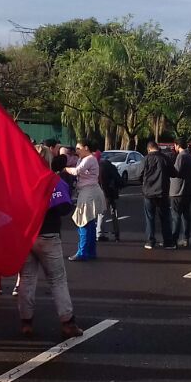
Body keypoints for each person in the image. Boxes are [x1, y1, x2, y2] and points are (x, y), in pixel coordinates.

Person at [19, 153, 82, 339]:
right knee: (57, 280)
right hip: (49, 235)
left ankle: (26, 322)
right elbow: (65, 208)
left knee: (27, 279)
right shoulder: (52, 180)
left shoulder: (21, 180)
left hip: (26, 235)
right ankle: (67, 322)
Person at [65, 139, 105, 261]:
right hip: (89, 191)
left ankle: (82, 252)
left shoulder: (89, 159)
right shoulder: (83, 159)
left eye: (78, 148)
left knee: (83, 222)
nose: (76, 151)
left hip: (88, 192)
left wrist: (64, 169)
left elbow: (77, 171)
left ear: (86, 148)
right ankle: (90, 251)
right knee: (90, 224)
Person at [141, 138, 175, 250]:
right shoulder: (165, 158)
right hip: (162, 191)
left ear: (148, 149)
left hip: (148, 192)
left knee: (150, 217)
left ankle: (150, 241)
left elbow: (140, 174)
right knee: (165, 217)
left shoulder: (145, 159)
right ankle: (168, 242)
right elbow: (174, 173)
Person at [170, 140, 191, 248]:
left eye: (175, 145)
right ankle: (186, 238)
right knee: (186, 215)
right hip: (189, 190)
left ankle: (174, 239)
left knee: (176, 215)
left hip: (178, 191)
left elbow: (176, 172)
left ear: (178, 145)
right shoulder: (190, 157)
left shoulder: (181, 156)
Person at [96, 152, 122, 242]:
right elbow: (118, 180)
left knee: (101, 213)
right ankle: (116, 234)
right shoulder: (111, 167)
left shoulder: (96, 166)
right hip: (110, 193)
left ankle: (99, 233)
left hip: (100, 192)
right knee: (113, 213)